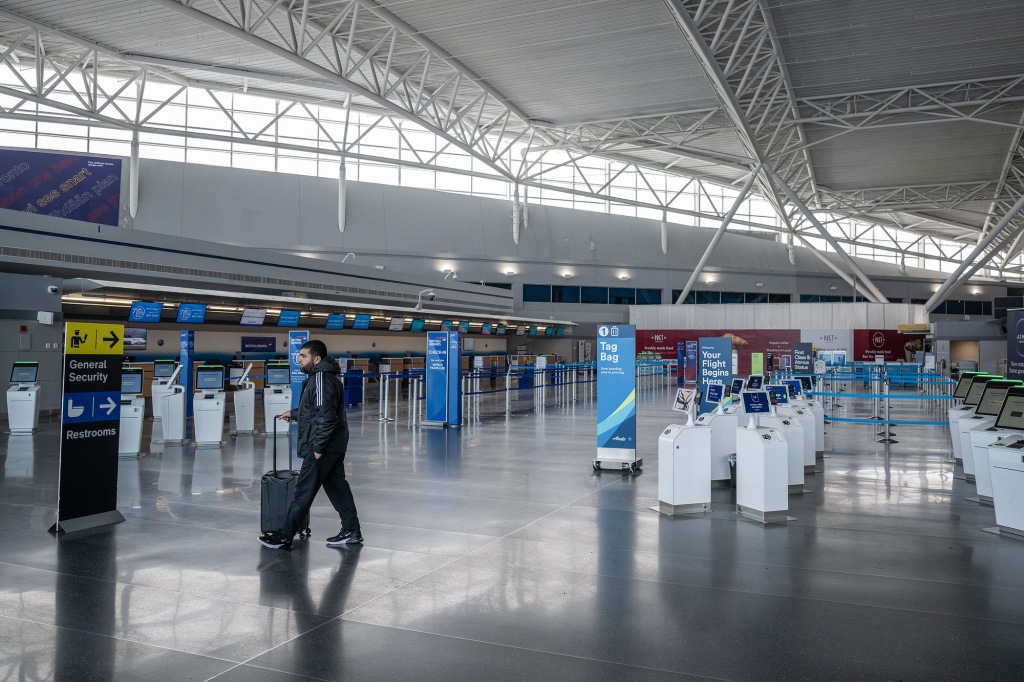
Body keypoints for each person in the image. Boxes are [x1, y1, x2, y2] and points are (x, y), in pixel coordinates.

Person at [259, 339, 362, 550]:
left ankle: (284, 536)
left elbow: (327, 417)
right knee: (337, 488)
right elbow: (315, 410)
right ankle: (351, 530)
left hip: (324, 446)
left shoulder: (321, 379)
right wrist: (294, 414)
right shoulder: (320, 377)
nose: (299, 359)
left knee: (303, 491)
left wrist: (317, 448)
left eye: (303, 356)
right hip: (333, 445)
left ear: (316, 359)